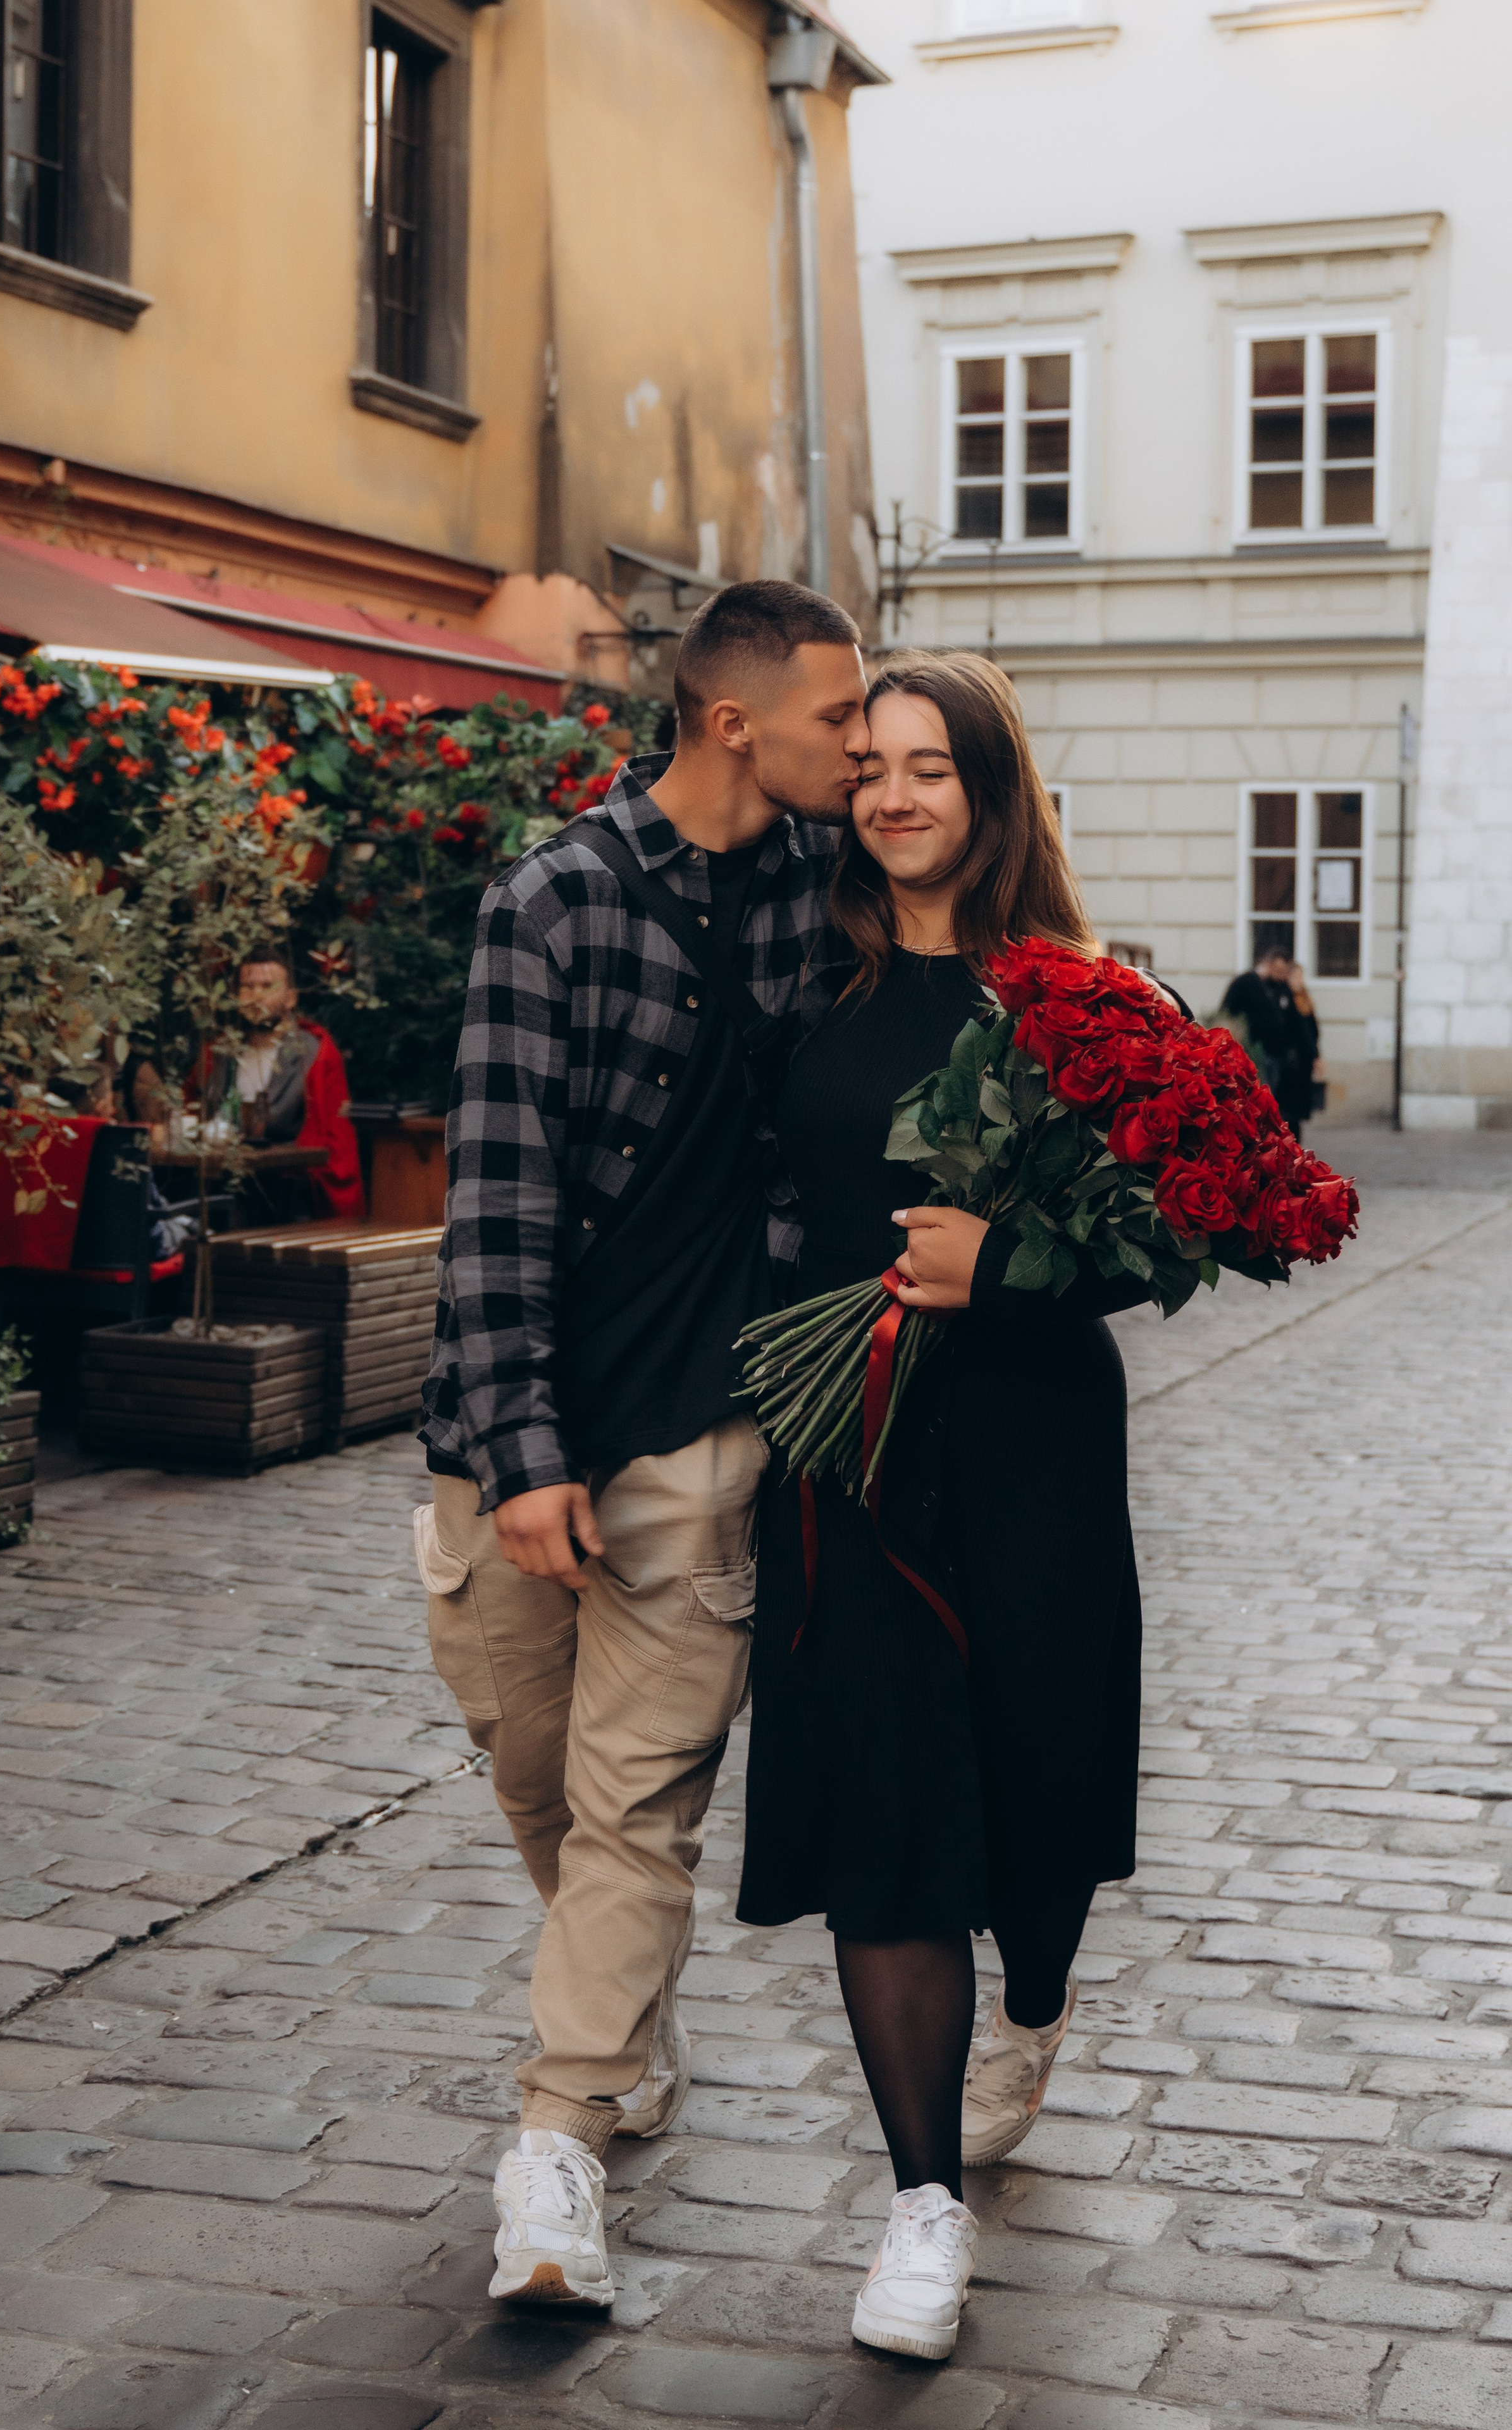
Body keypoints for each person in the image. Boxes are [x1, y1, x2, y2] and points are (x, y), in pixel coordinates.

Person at [417, 580, 869, 2308]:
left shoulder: (832, 918)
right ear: (734, 721)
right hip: (511, 1450)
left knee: (637, 1818)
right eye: (840, 716)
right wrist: (526, 1451)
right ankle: (619, 2023)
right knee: (538, 1784)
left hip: (704, 1442)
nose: (862, 741)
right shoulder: (553, 906)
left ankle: (556, 2152)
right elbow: (497, 1201)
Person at [738, 650, 1155, 2365]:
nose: (897, 795)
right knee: (891, 1818)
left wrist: (1018, 1261)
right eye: (875, 767)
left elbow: (1168, 1237)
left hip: (1037, 1447)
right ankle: (923, 2208)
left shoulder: (1083, 998)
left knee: (1040, 1807)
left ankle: (1038, 1999)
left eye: (935, 767)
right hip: (855, 1456)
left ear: (994, 790)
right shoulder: (806, 986)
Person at [202, 946, 366, 1222]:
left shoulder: (313, 1053)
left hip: (288, 1190)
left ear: (290, 998)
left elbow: (331, 1136)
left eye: (268, 986)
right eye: (247, 987)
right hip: (222, 1182)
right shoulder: (221, 1054)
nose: (256, 996)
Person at [1222, 947, 1320, 1139]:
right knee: (1260, 1100)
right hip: (1256, 1055)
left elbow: (1297, 1022)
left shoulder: (1280, 987)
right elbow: (1227, 1014)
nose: (1283, 977)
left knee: (1280, 1104)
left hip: (1280, 1055)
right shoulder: (1245, 983)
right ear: (1268, 964)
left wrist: (1313, 1053)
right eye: (1280, 971)